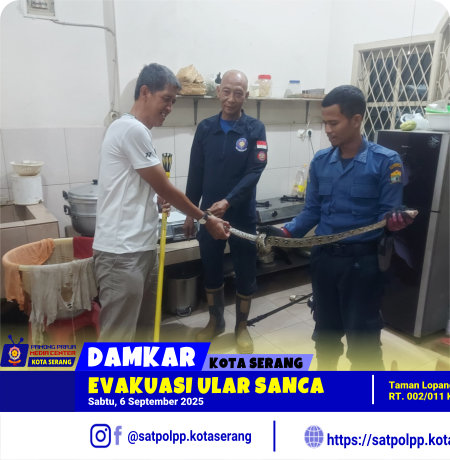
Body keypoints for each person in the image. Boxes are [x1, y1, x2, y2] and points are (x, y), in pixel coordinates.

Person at [260, 85, 413, 370]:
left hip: (363, 264)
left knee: (363, 342)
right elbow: (312, 211)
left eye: (333, 123)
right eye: (325, 123)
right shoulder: (321, 162)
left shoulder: (386, 161)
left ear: (356, 120)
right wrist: (285, 233)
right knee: (325, 335)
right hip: (324, 261)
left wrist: (396, 221)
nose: (327, 130)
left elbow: (388, 214)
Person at [93, 63, 230, 342]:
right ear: (145, 92)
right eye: (166, 99)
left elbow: (143, 187)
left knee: (144, 334)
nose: (169, 107)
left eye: (173, 102)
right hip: (122, 253)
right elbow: (165, 187)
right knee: (117, 341)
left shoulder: (138, 132)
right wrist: (205, 218)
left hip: (141, 248)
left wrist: (154, 202)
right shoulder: (130, 129)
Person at [183, 69, 268, 353]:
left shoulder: (255, 129)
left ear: (246, 96)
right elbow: (196, 172)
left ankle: (242, 327)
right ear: (218, 91)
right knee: (211, 267)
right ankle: (215, 321)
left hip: (242, 215)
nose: (231, 99)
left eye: (238, 93)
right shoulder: (205, 128)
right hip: (208, 215)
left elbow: (256, 170)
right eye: (227, 91)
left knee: (245, 271)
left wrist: (229, 201)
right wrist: (190, 212)